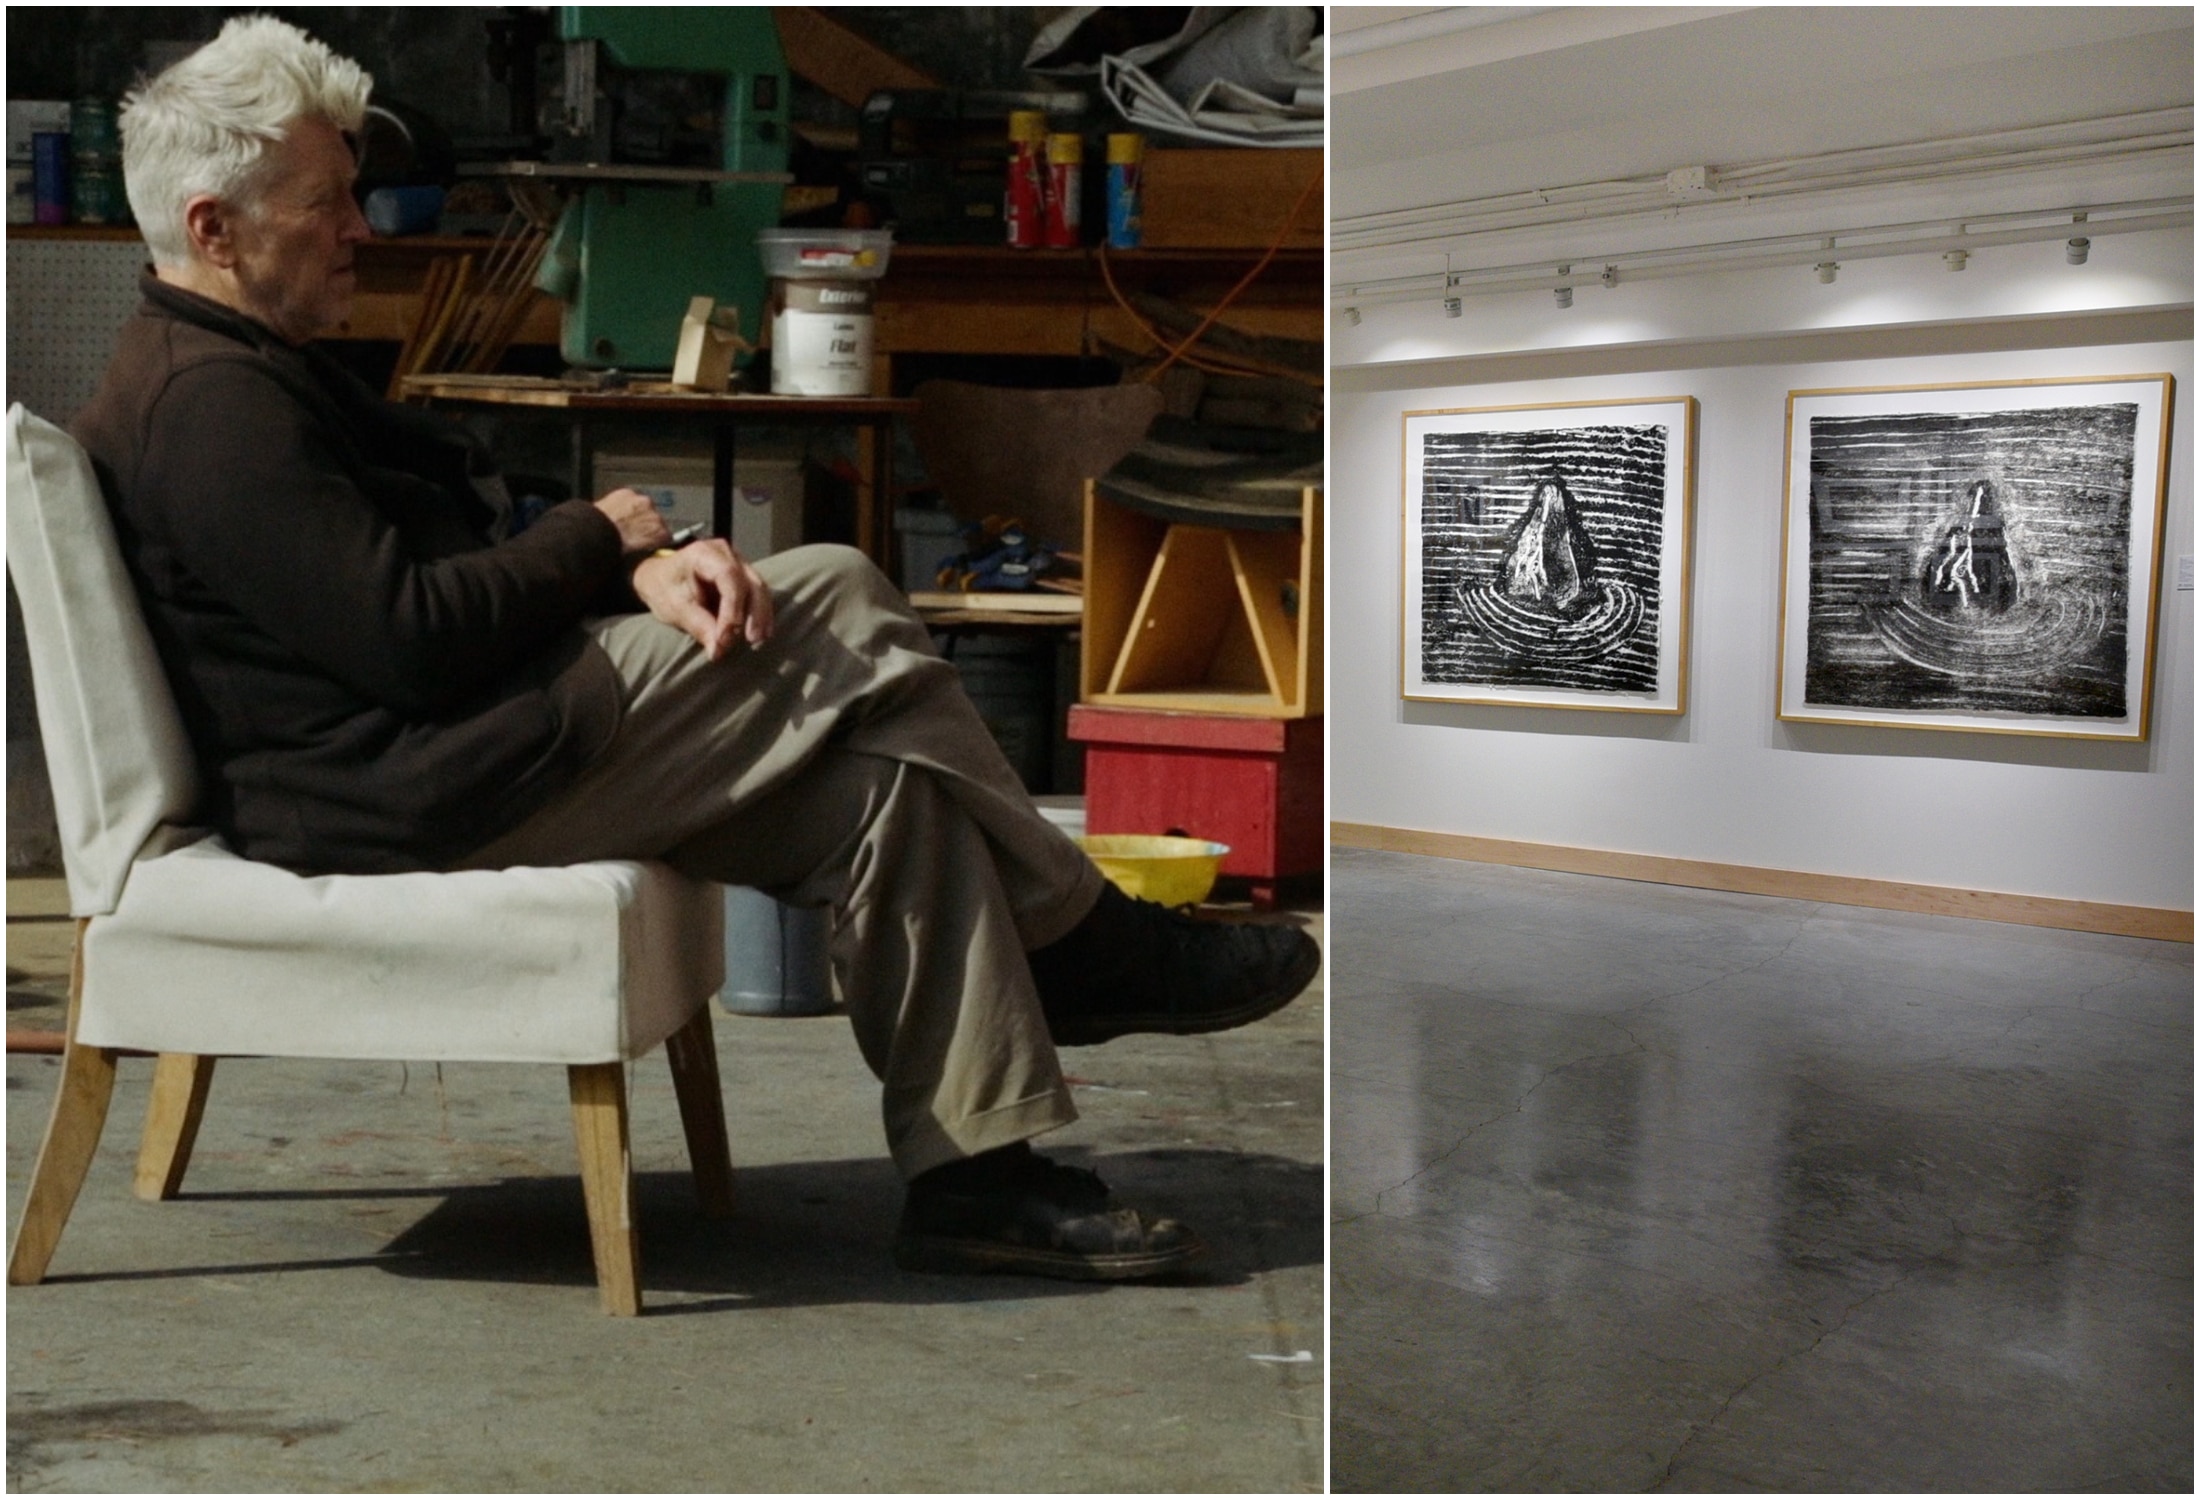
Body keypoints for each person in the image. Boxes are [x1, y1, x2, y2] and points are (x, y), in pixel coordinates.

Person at [71, 16, 1319, 1283]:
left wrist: (637, 558)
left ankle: (977, 1179)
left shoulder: (247, 365)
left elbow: (458, 539)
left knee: (885, 797)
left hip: (469, 738)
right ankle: (1087, 940)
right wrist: (599, 532)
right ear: (213, 225)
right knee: (832, 586)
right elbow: (407, 641)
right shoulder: (208, 409)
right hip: (417, 783)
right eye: (327, 201)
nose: (359, 227)